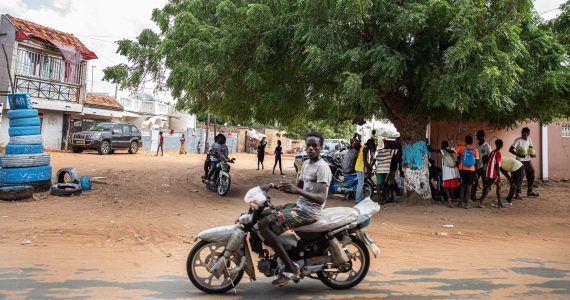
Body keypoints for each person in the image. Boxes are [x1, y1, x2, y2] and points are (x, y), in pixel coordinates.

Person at [258, 132, 332, 286]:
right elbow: (297, 187)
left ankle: (291, 268)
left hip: (309, 212)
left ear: (321, 148)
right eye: (308, 146)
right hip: (299, 206)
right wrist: (273, 186)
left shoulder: (322, 168)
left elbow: (320, 198)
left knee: (264, 224)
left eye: (314, 146)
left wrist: (297, 191)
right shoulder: (305, 164)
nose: (311, 149)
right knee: (262, 214)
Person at [509, 127, 539, 198]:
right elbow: (510, 149)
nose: (523, 135)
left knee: (531, 173)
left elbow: (531, 148)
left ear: (528, 134)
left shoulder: (529, 139)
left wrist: (533, 154)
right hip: (520, 161)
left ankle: (530, 190)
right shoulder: (518, 140)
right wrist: (519, 155)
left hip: (528, 160)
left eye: (525, 134)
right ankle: (518, 192)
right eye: (522, 133)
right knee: (520, 176)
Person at [479, 139, 505, 208]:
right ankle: (480, 202)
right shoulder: (498, 153)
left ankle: (499, 203)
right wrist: (499, 176)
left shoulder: (492, 152)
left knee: (498, 186)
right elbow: (497, 165)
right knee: (488, 187)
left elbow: (488, 161)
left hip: (489, 171)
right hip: (493, 173)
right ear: (502, 145)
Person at [456, 135, 480, 209]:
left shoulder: (462, 148)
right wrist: (476, 172)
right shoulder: (475, 149)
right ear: (472, 142)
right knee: (469, 186)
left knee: (463, 186)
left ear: (465, 141)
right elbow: (476, 162)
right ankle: (466, 203)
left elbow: (454, 152)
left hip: (463, 169)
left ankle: (461, 202)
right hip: (471, 170)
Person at [471, 130, 492, 201]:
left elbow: (490, 157)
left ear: (481, 136)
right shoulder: (476, 144)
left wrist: (485, 166)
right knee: (475, 181)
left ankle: (482, 197)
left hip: (484, 167)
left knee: (484, 182)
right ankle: (473, 196)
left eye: (477, 136)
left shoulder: (487, 146)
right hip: (476, 166)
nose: (476, 137)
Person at [440, 140, 460, 208]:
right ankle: (451, 198)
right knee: (452, 186)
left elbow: (454, 151)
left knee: (447, 186)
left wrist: (446, 148)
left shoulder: (444, 150)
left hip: (446, 171)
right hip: (453, 170)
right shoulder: (449, 149)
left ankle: (449, 199)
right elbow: (455, 152)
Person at [355, 138, 374, 203]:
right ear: (369, 144)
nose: (372, 147)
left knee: (361, 183)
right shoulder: (365, 148)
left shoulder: (365, 147)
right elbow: (365, 161)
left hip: (360, 167)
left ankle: (361, 197)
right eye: (372, 145)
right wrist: (369, 170)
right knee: (360, 184)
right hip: (360, 168)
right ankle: (358, 199)